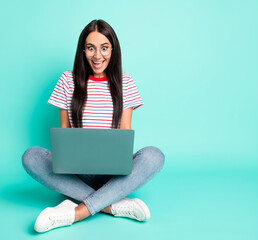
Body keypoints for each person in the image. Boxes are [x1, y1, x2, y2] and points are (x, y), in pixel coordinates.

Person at [22, 19, 165, 233]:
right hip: (78, 173)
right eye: (91, 48)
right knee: (31, 157)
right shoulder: (67, 81)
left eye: (104, 48)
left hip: (114, 173)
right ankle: (112, 203)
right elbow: (65, 133)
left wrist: (118, 163)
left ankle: (77, 212)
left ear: (113, 50)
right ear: (83, 51)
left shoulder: (126, 82)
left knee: (155, 156)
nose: (98, 56)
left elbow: (124, 133)